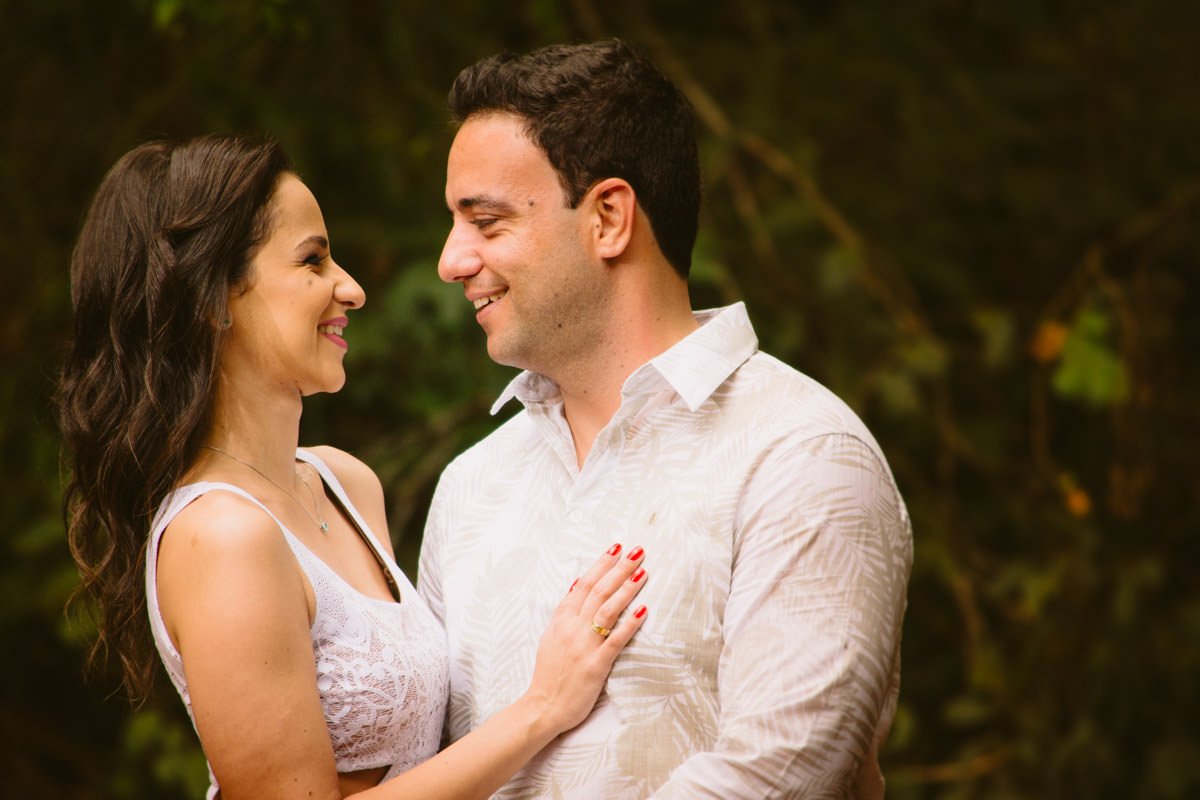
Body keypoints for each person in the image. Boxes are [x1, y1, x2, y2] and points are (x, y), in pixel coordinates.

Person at [56, 134, 649, 800]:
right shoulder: (221, 536)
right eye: (313, 261)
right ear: (213, 298)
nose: (353, 289)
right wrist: (542, 708)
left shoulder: (344, 484)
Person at [418, 39, 914, 799]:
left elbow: (772, 780)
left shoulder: (802, 454)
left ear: (609, 217)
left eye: (486, 222)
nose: (451, 260)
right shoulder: (469, 486)